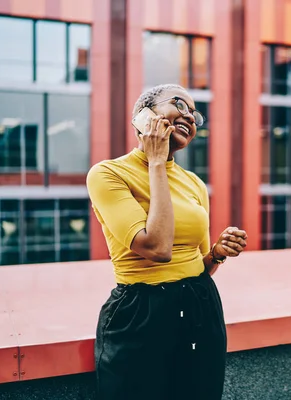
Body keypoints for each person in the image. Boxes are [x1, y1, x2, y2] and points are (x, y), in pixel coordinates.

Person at [86, 83, 247, 400]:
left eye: (195, 114)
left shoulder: (194, 184)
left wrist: (216, 254)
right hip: (140, 310)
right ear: (143, 116)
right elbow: (157, 249)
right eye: (179, 105)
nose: (190, 116)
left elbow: (196, 265)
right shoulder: (108, 174)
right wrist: (156, 161)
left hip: (200, 304)